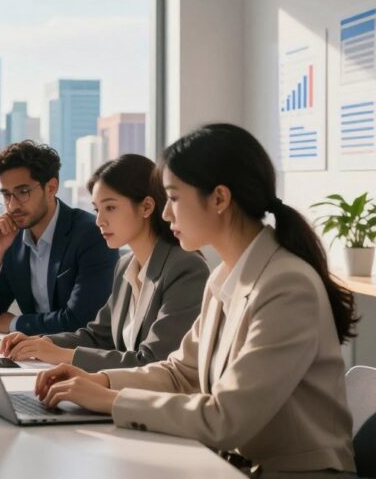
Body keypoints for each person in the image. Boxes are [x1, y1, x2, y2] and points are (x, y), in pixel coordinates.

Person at [35, 124, 357, 477]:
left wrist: (112, 401)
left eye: (173, 198)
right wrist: (101, 382)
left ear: (219, 198)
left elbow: (227, 419)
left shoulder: (287, 286)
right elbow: (180, 372)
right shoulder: (223, 277)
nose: (166, 214)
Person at [0, 154, 208, 371]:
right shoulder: (126, 266)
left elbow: (154, 361)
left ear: (146, 207)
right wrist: (42, 343)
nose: (99, 221)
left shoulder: (186, 268)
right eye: (97, 210)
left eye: (110, 208)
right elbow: (98, 336)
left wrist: (62, 355)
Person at [0, 140, 118, 335]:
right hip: (31, 357)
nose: (12, 205)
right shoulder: (11, 239)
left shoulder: (92, 234)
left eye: (23, 192)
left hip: (77, 358)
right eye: (6, 195)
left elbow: (81, 321)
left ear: (51, 188)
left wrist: (15, 324)